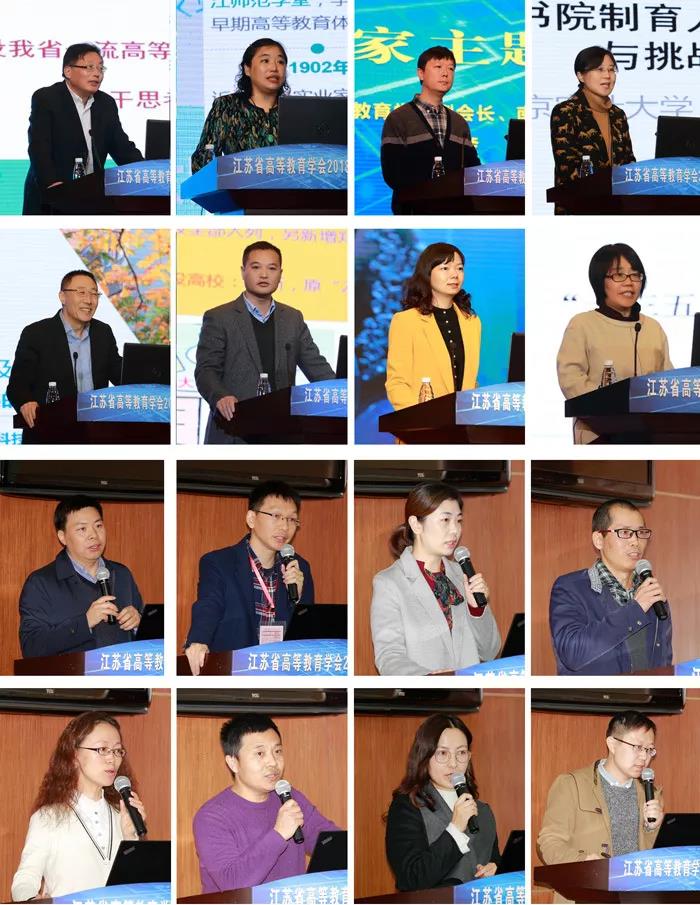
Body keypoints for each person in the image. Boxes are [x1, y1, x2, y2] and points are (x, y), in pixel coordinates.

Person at [194, 240, 335, 444]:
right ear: (243, 271)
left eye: (272, 268)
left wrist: (340, 392)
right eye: (256, 267)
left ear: (280, 273)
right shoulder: (219, 317)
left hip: (281, 432)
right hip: (234, 429)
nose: (264, 275)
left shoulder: (292, 318)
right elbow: (206, 370)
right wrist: (220, 396)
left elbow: (317, 367)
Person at [193, 713, 338, 892]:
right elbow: (232, 882)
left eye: (277, 751)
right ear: (233, 763)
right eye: (260, 754)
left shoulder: (289, 797)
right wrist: (279, 834)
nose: (273, 762)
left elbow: (330, 842)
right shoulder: (211, 817)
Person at [11, 711, 147, 901]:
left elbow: (140, 888)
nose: (112, 758)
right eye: (102, 749)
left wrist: (131, 838)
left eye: (117, 750)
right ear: (74, 755)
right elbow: (24, 880)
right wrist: (31, 900)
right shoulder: (48, 817)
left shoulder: (123, 815)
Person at [370, 482, 500, 675]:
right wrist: (428, 679)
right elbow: (389, 657)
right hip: (424, 693)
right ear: (416, 524)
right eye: (445, 520)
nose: (455, 530)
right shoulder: (389, 583)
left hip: (468, 692)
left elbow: (490, 652)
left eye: (458, 520)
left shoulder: (462, 575)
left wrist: (477, 609)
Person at [185, 481, 314, 675]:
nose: (284, 526)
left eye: (291, 519)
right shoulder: (219, 562)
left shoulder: (299, 567)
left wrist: (297, 598)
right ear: (252, 519)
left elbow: (306, 636)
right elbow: (209, 605)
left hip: (280, 673)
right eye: (276, 516)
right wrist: (198, 640)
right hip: (233, 673)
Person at [556, 243, 672, 443]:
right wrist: (610, 405)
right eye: (619, 275)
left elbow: (668, 381)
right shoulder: (582, 324)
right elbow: (571, 379)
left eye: (635, 275)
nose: (629, 283)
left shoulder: (653, 327)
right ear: (600, 281)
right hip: (599, 435)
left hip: (650, 434)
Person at [549, 499, 672, 676]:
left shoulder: (652, 596)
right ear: (599, 540)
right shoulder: (570, 588)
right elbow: (572, 653)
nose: (635, 541)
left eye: (640, 532)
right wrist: (635, 610)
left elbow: (663, 661)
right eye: (625, 532)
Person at [23, 42, 143, 215]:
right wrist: (53, 185)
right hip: (52, 197)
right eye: (89, 67)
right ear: (68, 71)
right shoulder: (47, 98)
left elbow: (123, 148)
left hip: (91, 198)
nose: (97, 73)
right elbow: (39, 148)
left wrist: (148, 173)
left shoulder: (106, 104)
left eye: (101, 68)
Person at [19, 495, 143, 659]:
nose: (94, 535)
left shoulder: (122, 574)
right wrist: (85, 623)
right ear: (62, 537)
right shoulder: (41, 583)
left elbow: (149, 644)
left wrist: (138, 623)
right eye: (82, 529)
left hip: (123, 672)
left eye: (98, 526)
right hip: (72, 675)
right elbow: (31, 647)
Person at [386, 713, 500, 890]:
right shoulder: (407, 806)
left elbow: (495, 861)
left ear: (469, 757)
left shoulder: (483, 810)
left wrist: (495, 870)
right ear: (425, 756)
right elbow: (411, 878)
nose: (453, 763)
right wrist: (455, 829)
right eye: (443, 753)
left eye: (461, 753)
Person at [6, 269, 123, 443]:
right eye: (81, 292)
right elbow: (17, 385)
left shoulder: (103, 332)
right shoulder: (37, 333)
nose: (89, 300)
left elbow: (119, 374)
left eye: (94, 294)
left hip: (95, 434)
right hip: (49, 436)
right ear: (62, 297)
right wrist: (26, 402)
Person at [538, 711, 663, 869]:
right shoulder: (571, 785)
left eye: (649, 749)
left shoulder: (650, 794)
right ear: (612, 744)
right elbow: (548, 843)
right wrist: (581, 861)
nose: (644, 757)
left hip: (634, 884)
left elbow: (655, 859)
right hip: (587, 883)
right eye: (637, 747)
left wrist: (652, 828)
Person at [380, 46, 480, 214]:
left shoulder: (459, 122)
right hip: (415, 211)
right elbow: (393, 173)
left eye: (451, 69)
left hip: (457, 212)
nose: (445, 73)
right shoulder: (399, 118)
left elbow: (473, 169)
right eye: (438, 67)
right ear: (421, 73)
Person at [385, 243, 481, 412]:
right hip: (422, 423)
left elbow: (470, 382)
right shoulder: (406, 321)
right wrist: (421, 418)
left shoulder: (472, 322)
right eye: (445, 268)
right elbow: (397, 383)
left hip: (462, 422)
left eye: (459, 268)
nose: (455, 274)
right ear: (427, 273)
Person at [191, 39, 289, 173]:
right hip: (239, 185)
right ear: (247, 69)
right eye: (265, 61)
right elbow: (202, 159)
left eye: (280, 62)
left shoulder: (295, 110)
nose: (274, 68)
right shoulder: (227, 106)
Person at [550, 46, 635, 189]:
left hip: (618, 200)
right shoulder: (566, 112)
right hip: (580, 200)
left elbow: (629, 162)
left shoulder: (618, 115)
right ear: (580, 76)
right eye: (600, 69)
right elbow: (567, 170)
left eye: (611, 70)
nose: (607, 75)